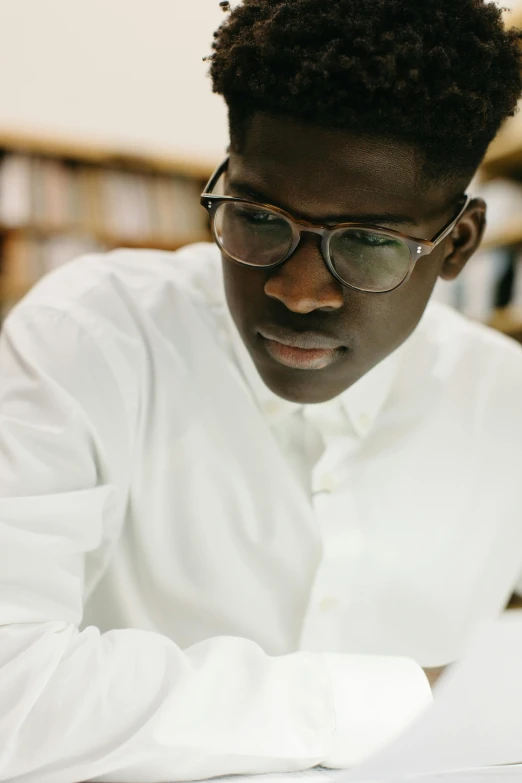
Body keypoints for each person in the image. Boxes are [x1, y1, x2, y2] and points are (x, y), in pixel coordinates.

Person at [1, 1, 522, 781]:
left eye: (372, 241)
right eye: (257, 217)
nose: (298, 288)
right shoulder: (90, 335)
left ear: (458, 247)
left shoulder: (505, 399)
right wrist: (416, 694)